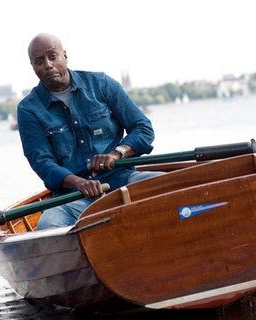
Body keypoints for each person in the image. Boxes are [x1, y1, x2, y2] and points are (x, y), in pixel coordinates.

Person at [17, 33, 162, 230]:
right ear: (33, 67)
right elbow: (42, 162)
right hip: (72, 199)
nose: (48, 65)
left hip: (123, 181)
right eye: (39, 61)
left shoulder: (101, 84)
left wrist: (116, 154)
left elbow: (143, 128)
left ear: (65, 56)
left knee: (173, 188)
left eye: (53, 56)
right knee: (48, 226)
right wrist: (79, 183)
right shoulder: (28, 109)